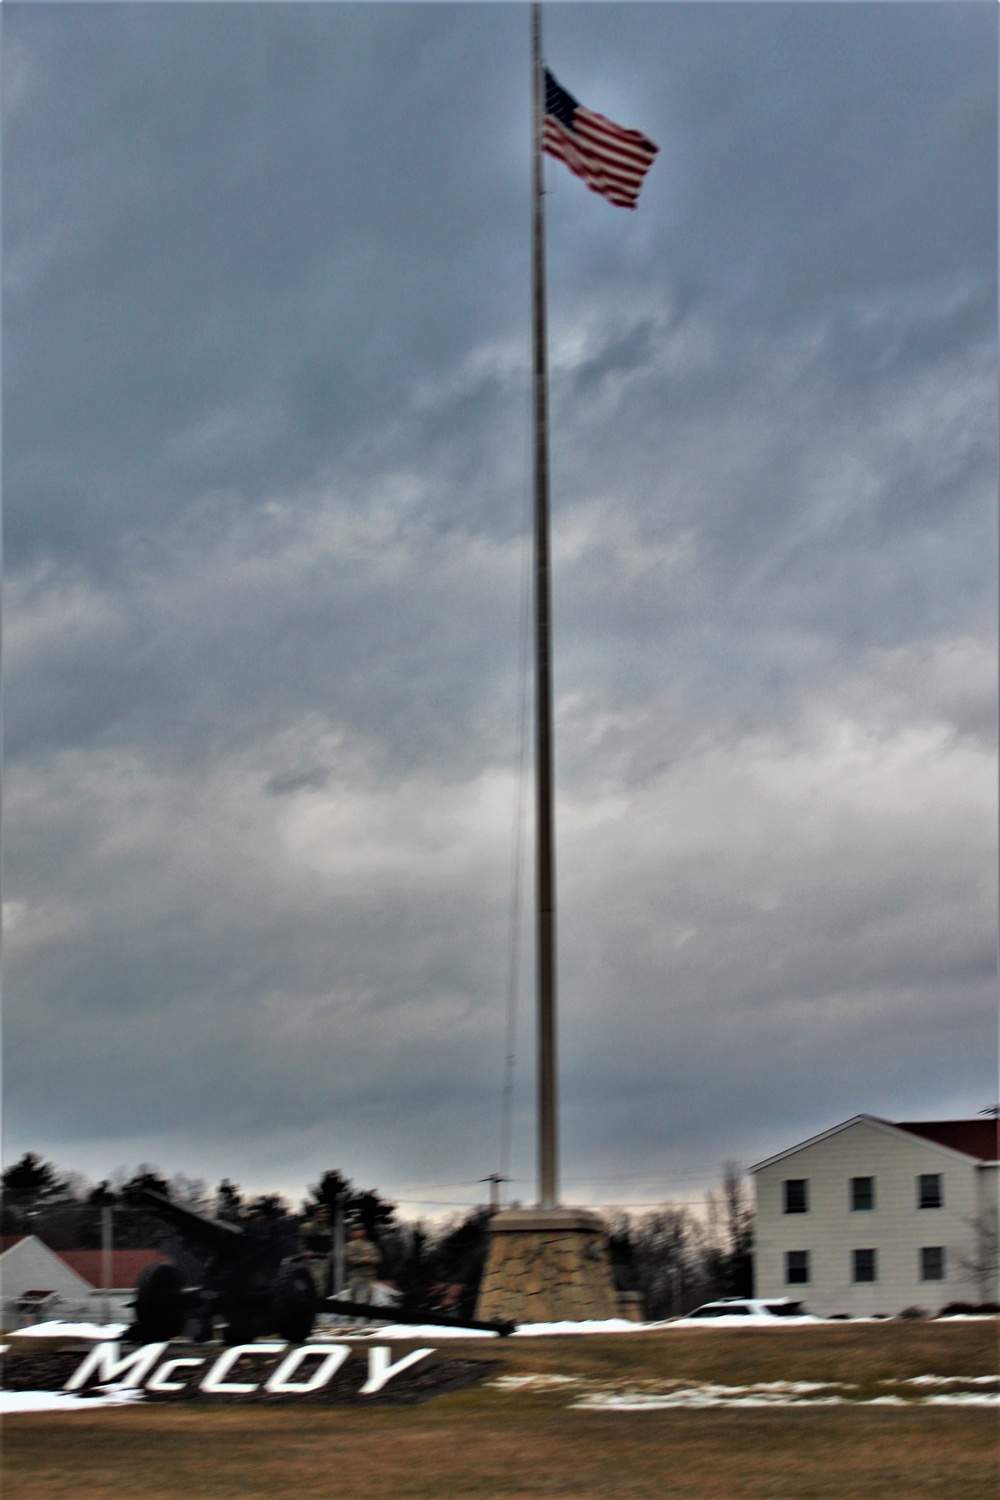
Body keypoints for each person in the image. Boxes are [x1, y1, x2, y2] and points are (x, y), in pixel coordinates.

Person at [298, 1204, 333, 1298]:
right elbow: (301, 1243)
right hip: (311, 1260)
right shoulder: (308, 1227)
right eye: (320, 1213)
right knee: (311, 1282)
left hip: (324, 1260)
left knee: (322, 1284)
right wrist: (305, 1252)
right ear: (316, 1214)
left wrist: (330, 1254)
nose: (323, 1215)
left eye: (325, 1213)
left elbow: (331, 1244)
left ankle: (318, 1303)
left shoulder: (329, 1228)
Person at [344, 1222, 380, 1304]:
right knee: (353, 1293)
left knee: (370, 1294)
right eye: (356, 1230)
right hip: (356, 1274)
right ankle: (352, 1313)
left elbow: (378, 1258)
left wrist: (372, 1260)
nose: (358, 1232)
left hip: (369, 1274)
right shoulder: (350, 1245)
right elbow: (348, 1258)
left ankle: (368, 1313)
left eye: (360, 1230)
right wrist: (361, 1259)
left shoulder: (370, 1245)